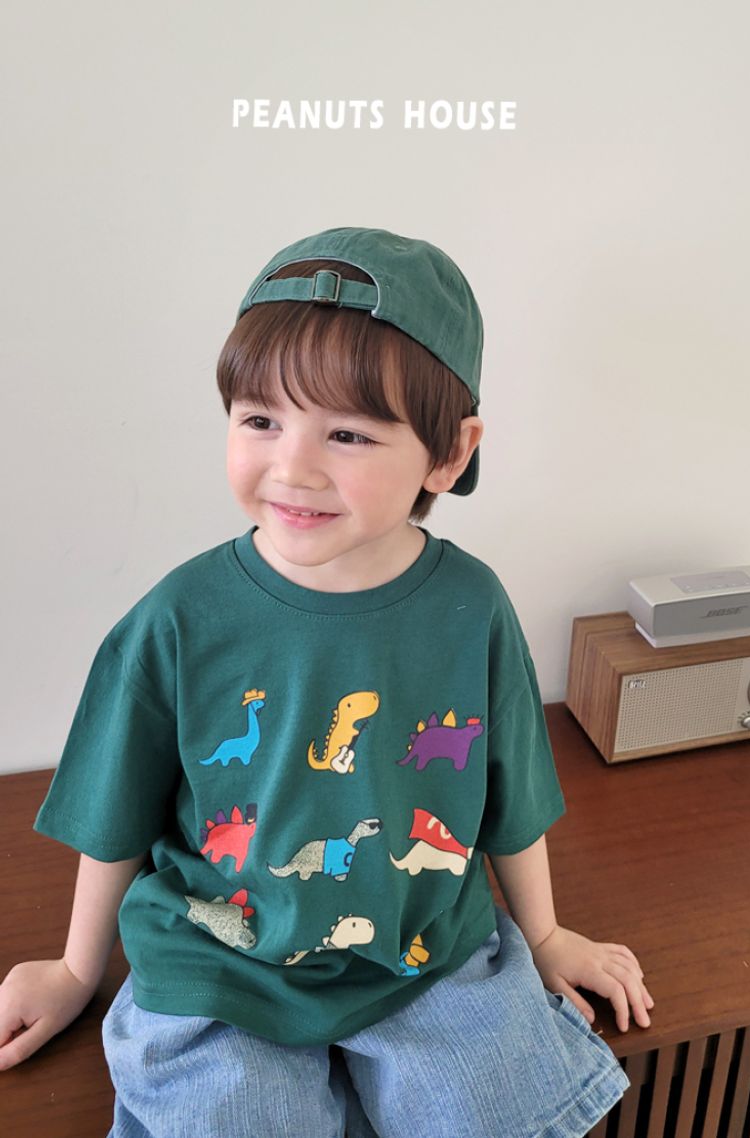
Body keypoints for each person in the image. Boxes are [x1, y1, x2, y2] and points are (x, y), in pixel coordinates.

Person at [0, 227, 653, 1137]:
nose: (293, 467)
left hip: (424, 953)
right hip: (222, 960)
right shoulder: (179, 618)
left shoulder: (472, 606)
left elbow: (513, 793)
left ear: (449, 453)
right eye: (260, 420)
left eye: (347, 433)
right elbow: (115, 809)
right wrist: (76, 970)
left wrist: (543, 937)